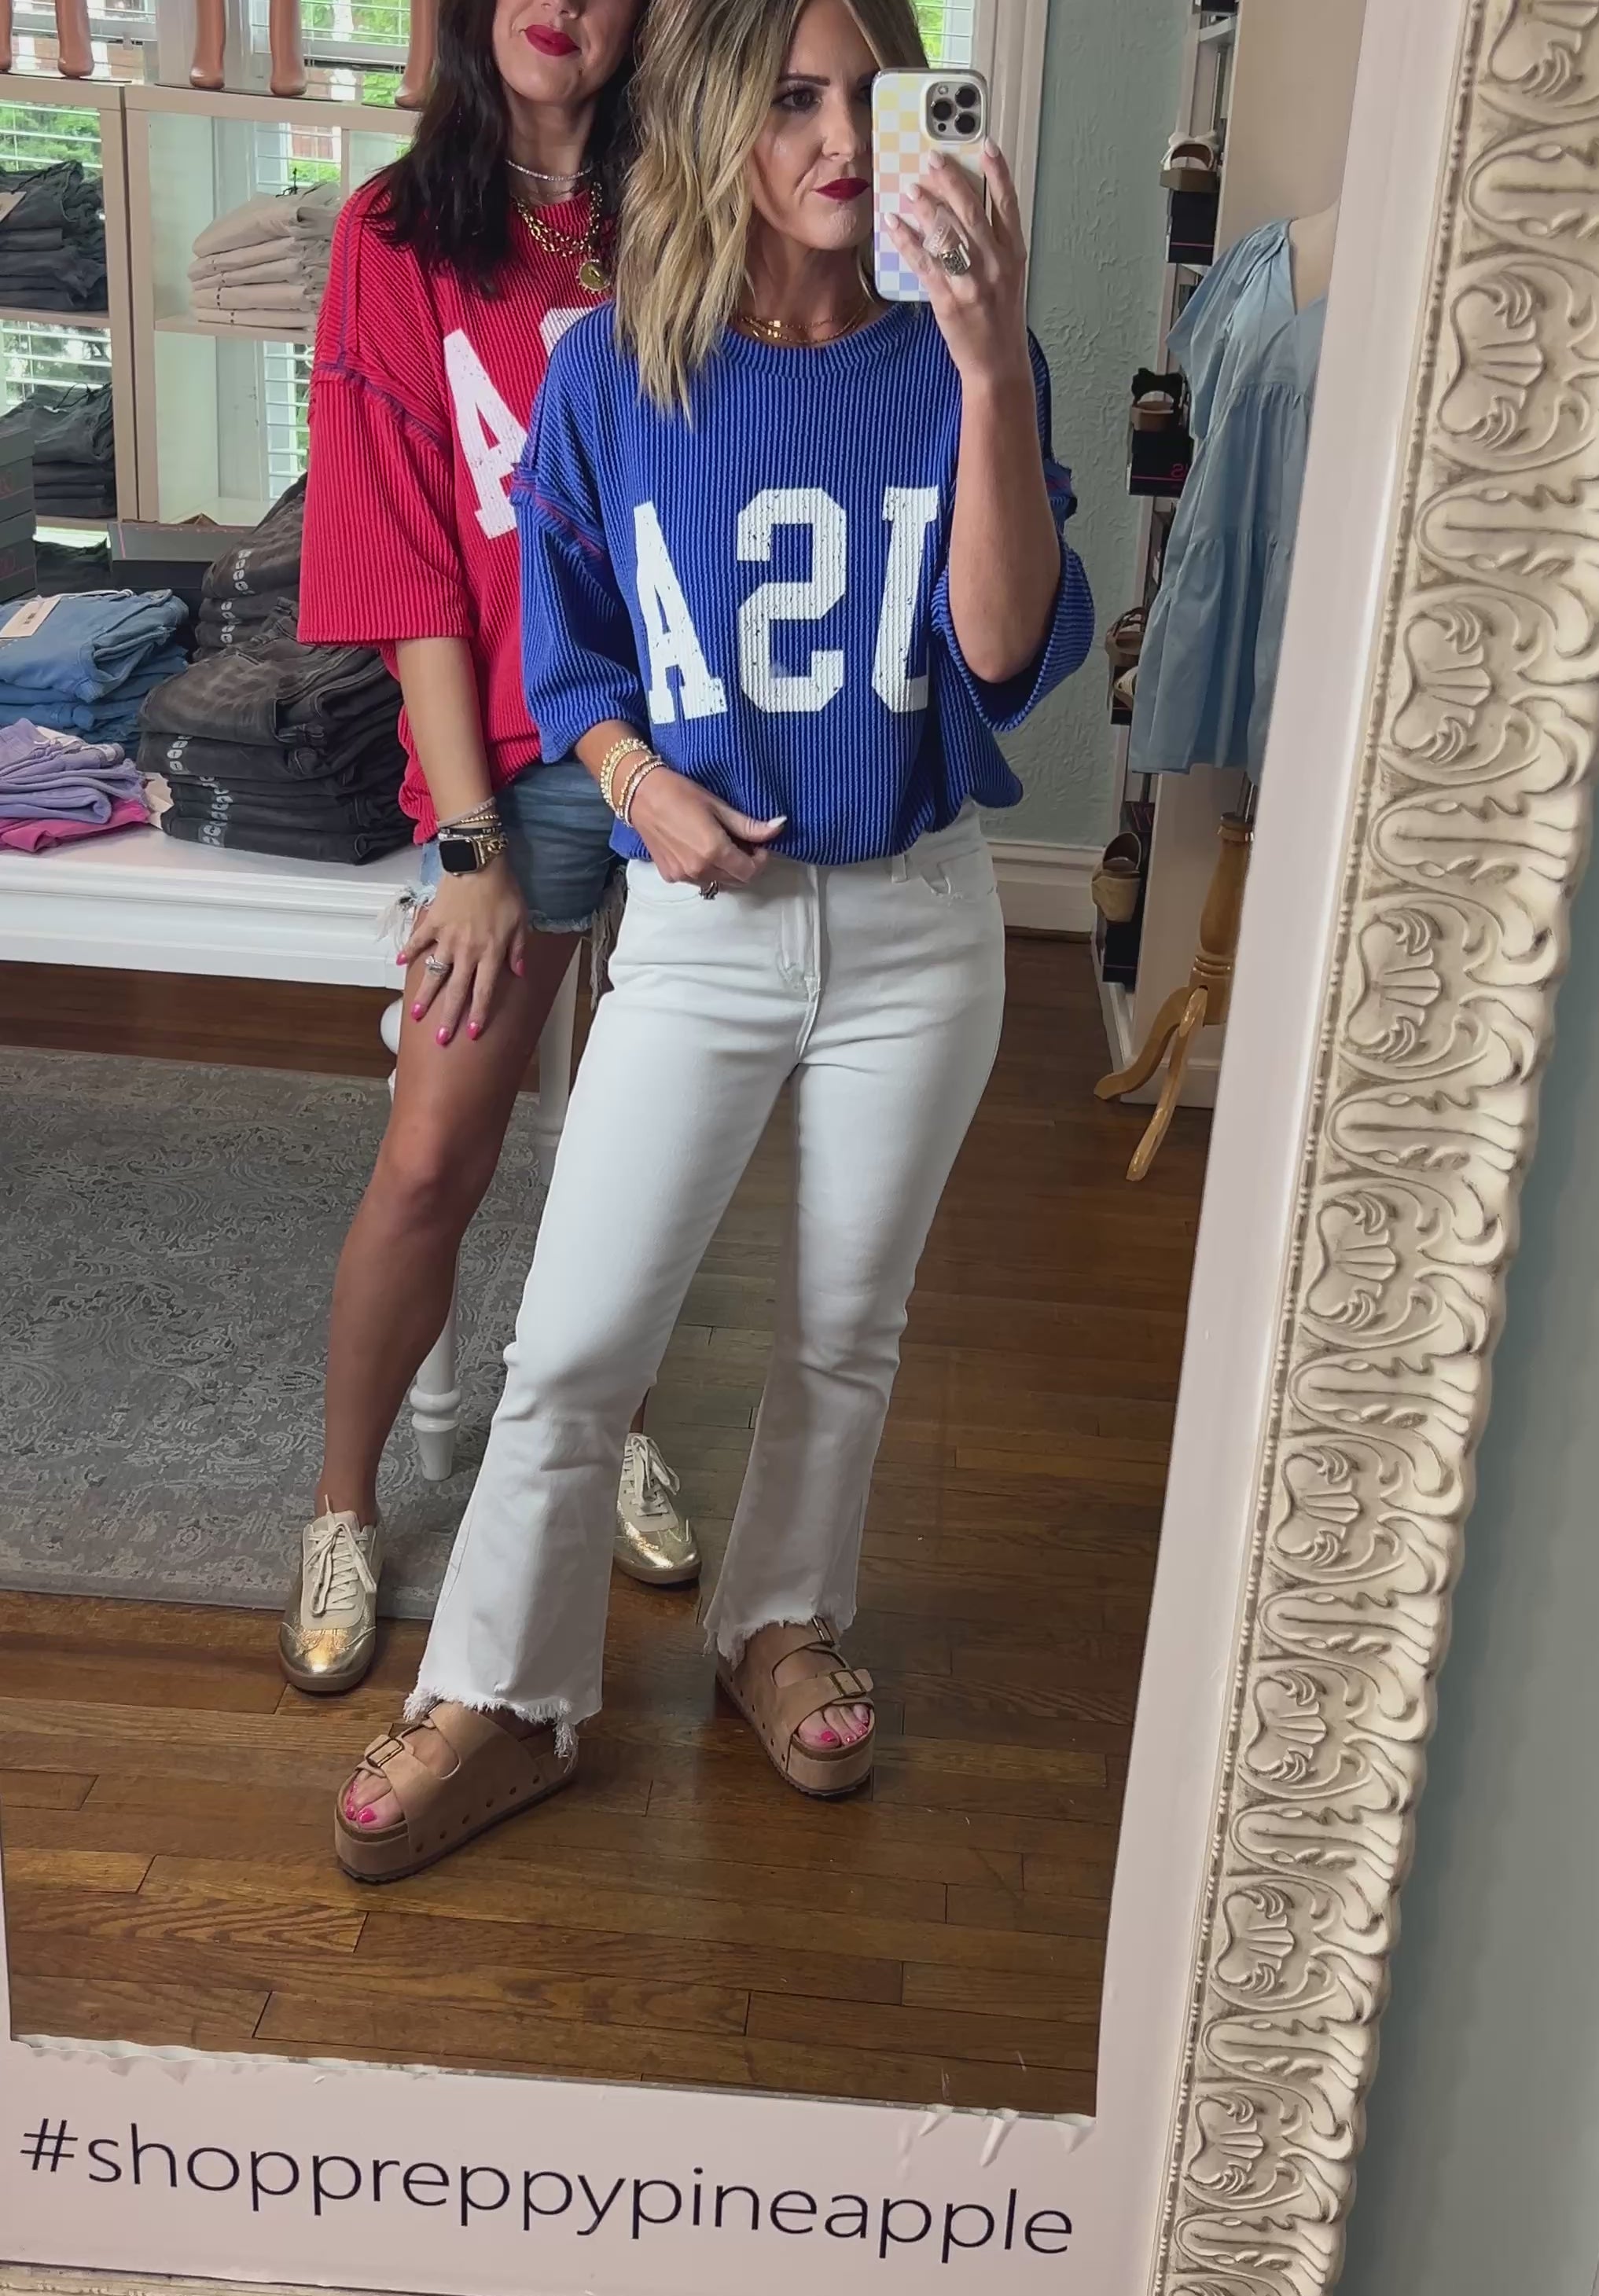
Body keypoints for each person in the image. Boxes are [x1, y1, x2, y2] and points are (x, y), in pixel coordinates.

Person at [332, 0, 1093, 1879]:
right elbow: (568, 643)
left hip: (919, 921)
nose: (839, 140)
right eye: (791, 100)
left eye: (874, 98)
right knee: (579, 1339)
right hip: (700, 924)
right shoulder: (615, 370)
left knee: (847, 1330)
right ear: (716, 125)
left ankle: (780, 1621)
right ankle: (503, 1694)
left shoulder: (965, 360)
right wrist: (628, 775)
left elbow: (1006, 648)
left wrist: (990, 365)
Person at [285, 0, 699, 1699]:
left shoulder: (693, 195)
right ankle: (341, 1505)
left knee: (648, 1150)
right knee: (434, 1153)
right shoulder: (400, 231)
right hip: (517, 764)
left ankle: (615, 1425)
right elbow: (400, 554)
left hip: (703, 749)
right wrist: (467, 845)